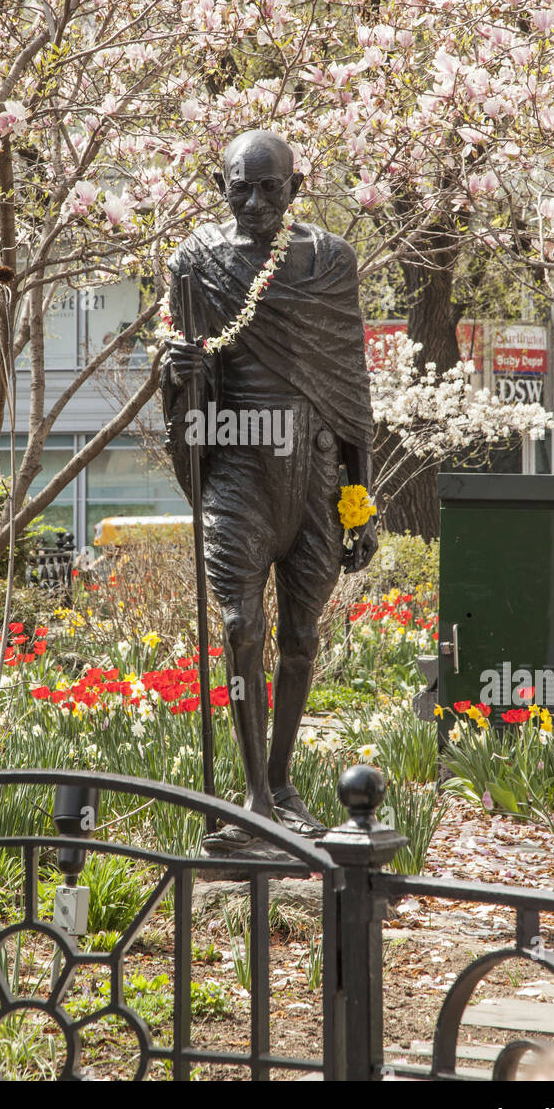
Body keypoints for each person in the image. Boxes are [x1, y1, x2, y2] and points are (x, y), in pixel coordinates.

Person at [160, 129, 378, 852]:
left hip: (315, 477)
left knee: (303, 637)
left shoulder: (329, 263)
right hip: (239, 472)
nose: (254, 202)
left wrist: (360, 504)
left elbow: (351, 392)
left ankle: (280, 784)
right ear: (217, 184)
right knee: (239, 628)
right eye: (239, 187)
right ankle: (251, 798)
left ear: (296, 187)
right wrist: (174, 378)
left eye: (270, 188)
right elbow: (184, 377)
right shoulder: (195, 264)